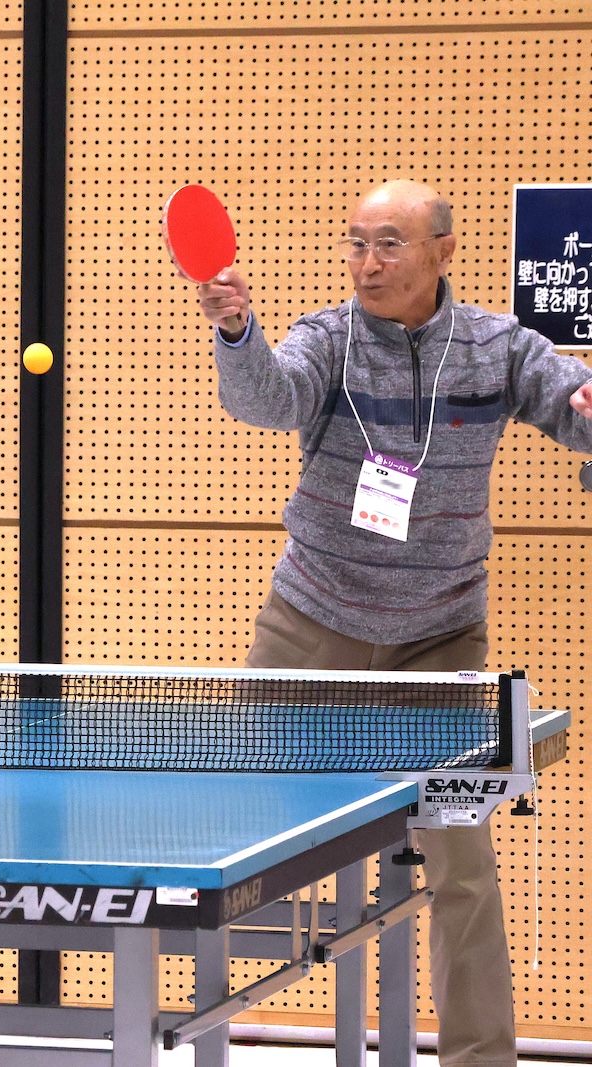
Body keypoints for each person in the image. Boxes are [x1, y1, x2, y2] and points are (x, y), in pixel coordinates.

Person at [196, 178, 592, 1067]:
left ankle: (480, 1059)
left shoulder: (497, 346)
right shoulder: (328, 337)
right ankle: (196, 1033)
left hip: (438, 645)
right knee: (237, 848)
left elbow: (573, 409)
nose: (366, 263)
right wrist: (238, 331)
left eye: (388, 244)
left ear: (442, 251)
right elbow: (268, 400)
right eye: (355, 243)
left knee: (461, 866)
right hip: (312, 627)